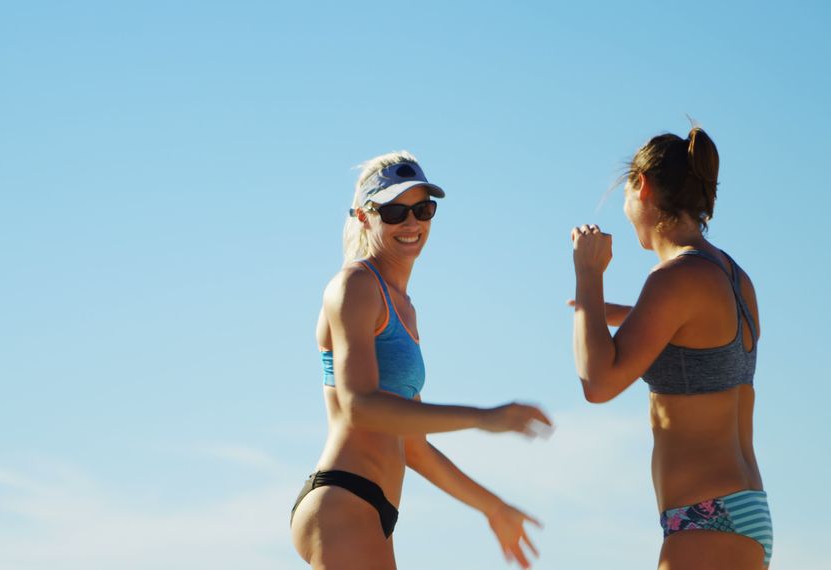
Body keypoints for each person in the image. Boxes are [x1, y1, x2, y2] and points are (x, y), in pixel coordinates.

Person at [291, 151, 552, 570]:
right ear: (364, 217)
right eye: (395, 211)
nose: (411, 223)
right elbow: (360, 407)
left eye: (422, 209)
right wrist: (483, 417)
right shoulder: (356, 285)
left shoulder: (404, 309)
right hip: (343, 499)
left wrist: (492, 507)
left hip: (373, 510)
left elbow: (413, 447)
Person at [570, 127, 773, 568]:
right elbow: (700, 342)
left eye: (626, 194)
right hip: (742, 510)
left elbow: (598, 384)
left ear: (642, 186)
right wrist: (628, 313)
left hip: (705, 516)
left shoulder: (673, 277)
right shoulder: (733, 276)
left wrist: (588, 273)